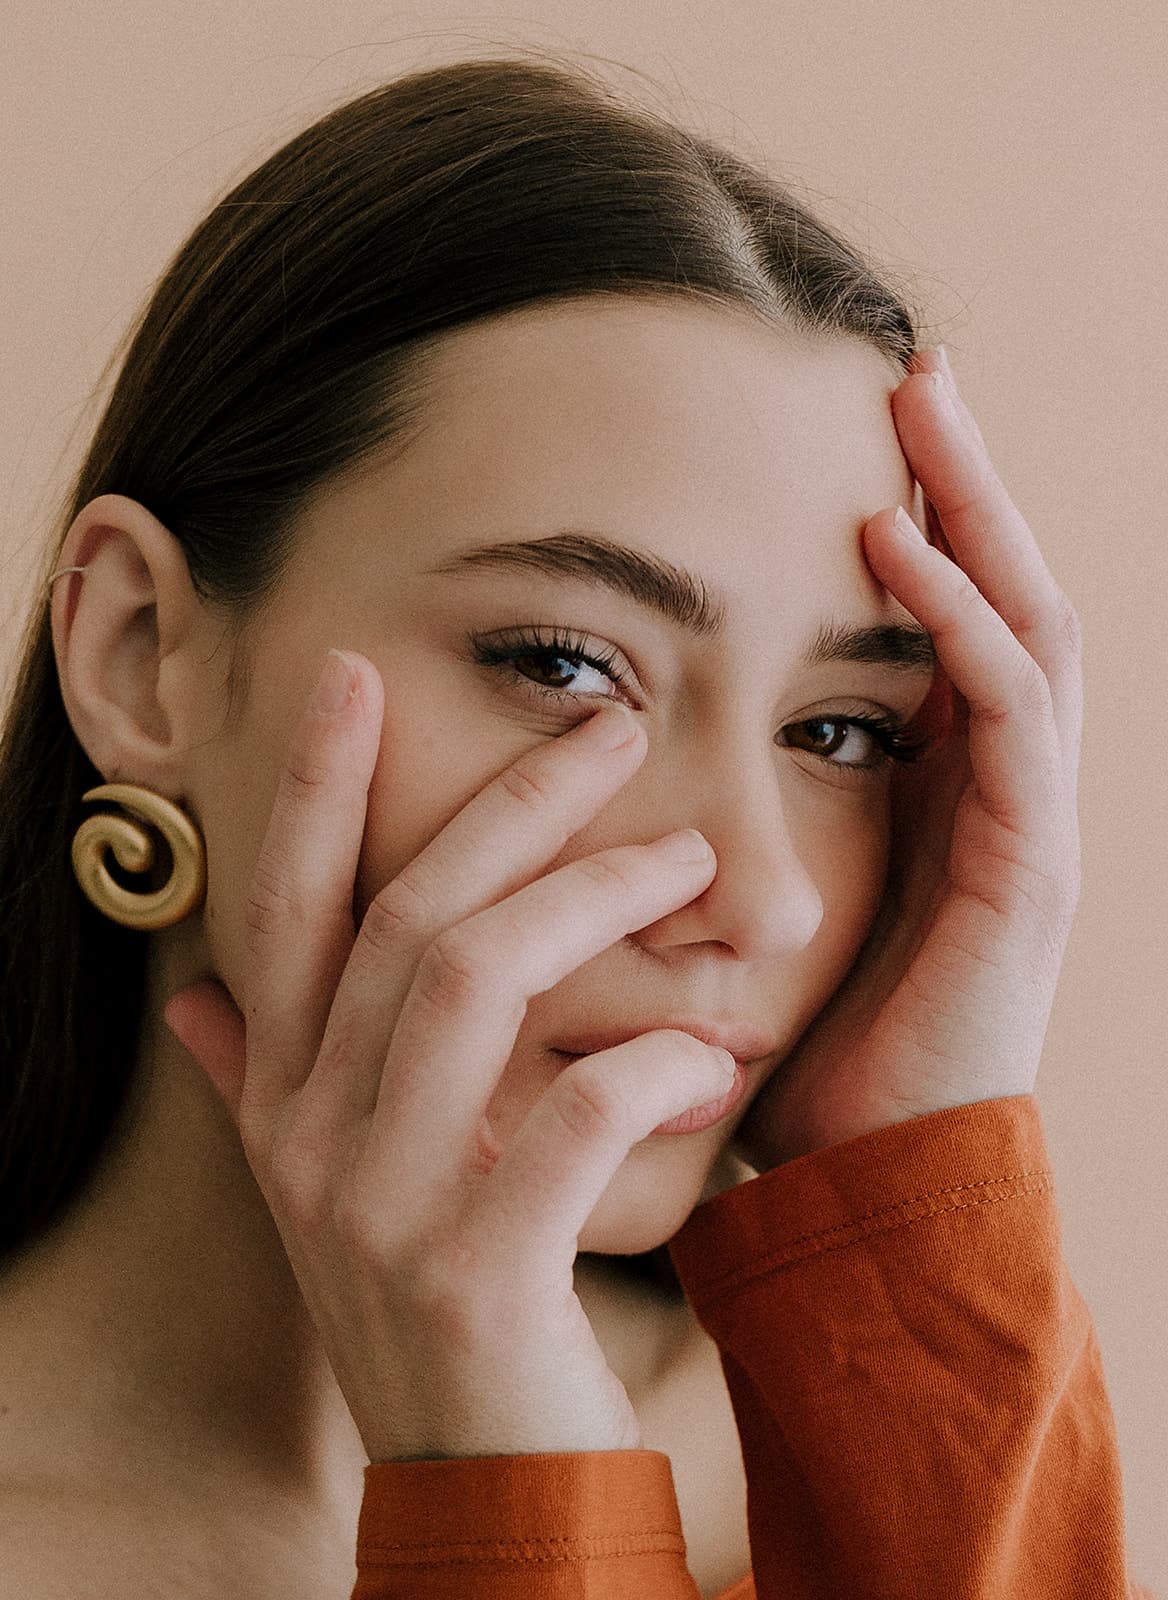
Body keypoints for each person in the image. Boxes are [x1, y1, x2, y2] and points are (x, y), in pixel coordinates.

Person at [0, 49, 1152, 1600]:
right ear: (138, 654)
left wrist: (921, 1222)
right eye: (560, 665)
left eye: (841, 732)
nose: (763, 898)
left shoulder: (880, 1494)